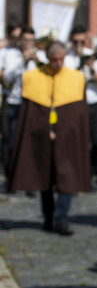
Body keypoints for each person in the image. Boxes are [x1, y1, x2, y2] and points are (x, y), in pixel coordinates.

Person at [8, 41, 89, 236]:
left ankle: (61, 218)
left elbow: (77, 116)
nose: (58, 63)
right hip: (42, 138)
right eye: (54, 60)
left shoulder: (75, 78)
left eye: (61, 59)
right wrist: (46, 130)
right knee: (44, 177)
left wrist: (62, 131)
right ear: (47, 58)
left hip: (66, 139)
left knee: (67, 176)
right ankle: (48, 217)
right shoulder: (33, 77)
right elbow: (30, 115)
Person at [65, 27, 97, 189]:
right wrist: (78, 67)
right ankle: (78, 176)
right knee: (76, 143)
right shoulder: (66, 57)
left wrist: (91, 69)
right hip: (74, 104)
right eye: (75, 42)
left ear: (86, 42)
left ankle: (90, 174)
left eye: (82, 42)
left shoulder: (94, 56)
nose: (78, 45)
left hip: (94, 102)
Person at [2, 26, 37, 178]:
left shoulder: (38, 56)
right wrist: (23, 60)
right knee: (12, 141)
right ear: (20, 40)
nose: (28, 43)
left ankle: (28, 176)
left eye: (31, 40)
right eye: (26, 40)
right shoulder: (10, 55)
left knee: (31, 143)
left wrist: (36, 60)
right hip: (14, 102)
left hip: (33, 104)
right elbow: (7, 79)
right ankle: (11, 175)